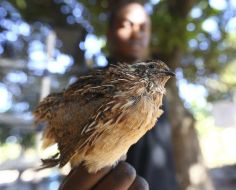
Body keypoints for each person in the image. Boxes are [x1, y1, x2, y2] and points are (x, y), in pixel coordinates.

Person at [60, 1, 178, 190]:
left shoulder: (161, 86)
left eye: (143, 27)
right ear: (109, 33)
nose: (136, 32)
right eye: (126, 24)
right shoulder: (90, 83)